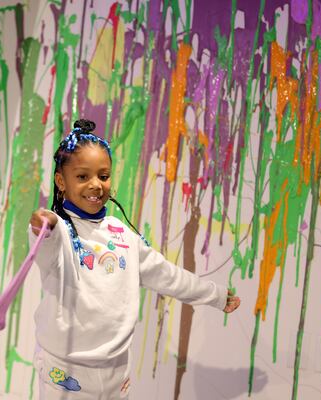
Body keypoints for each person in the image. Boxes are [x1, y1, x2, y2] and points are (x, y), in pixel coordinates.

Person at [28, 119, 240, 399]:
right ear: (61, 181)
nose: (96, 185)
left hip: (116, 372)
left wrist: (214, 295)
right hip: (65, 372)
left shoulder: (123, 236)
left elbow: (167, 275)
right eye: (82, 177)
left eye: (103, 176)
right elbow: (45, 243)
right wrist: (42, 225)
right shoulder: (60, 232)